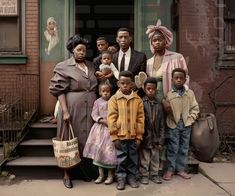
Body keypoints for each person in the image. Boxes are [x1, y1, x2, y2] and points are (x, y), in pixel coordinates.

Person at [49, 34, 98, 189]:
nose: (82, 52)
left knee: (85, 139)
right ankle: (67, 174)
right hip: (72, 107)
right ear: (72, 50)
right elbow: (59, 91)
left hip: (90, 107)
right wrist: (64, 111)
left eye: (84, 50)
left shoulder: (91, 66)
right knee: (68, 140)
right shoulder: (63, 66)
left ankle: (82, 170)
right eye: (78, 49)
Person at [146, 19, 190, 175]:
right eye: (154, 40)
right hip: (154, 102)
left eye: (160, 40)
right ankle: (159, 164)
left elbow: (185, 79)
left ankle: (174, 167)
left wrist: (171, 100)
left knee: (174, 134)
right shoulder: (149, 61)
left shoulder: (176, 57)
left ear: (166, 41)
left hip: (171, 102)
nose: (157, 43)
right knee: (158, 132)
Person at [107, 71, 145, 190]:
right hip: (120, 136)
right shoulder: (114, 99)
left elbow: (140, 118)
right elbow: (111, 118)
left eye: (127, 83)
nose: (125, 85)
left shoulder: (137, 99)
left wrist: (139, 136)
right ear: (118, 83)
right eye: (122, 83)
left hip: (133, 136)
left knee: (133, 158)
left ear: (132, 84)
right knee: (121, 159)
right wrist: (114, 136)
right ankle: (121, 178)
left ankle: (132, 177)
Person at [163, 68, 199, 181]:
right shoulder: (169, 94)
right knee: (172, 148)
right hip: (173, 125)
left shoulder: (190, 93)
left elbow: (195, 108)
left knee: (184, 148)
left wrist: (191, 119)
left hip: (186, 124)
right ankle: (170, 170)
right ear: (172, 79)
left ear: (185, 79)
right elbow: (166, 111)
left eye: (181, 78)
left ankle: (181, 169)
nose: (178, 80)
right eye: (176, 78)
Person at [83, 83, 117, 185]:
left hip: (111, 130)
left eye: (108, 91)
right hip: (99, 130)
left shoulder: (113, 101)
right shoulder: (97, 102)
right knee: (99, 152)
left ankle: (110, 175)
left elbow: (117, 113)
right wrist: (100, 120)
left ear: (111, 92)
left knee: (110, 152)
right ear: (100, 92)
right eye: (103, 91)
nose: (106, 93)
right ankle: (101, 175)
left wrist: (112, 122)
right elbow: (94, 113)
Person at [139, 77, 165, 185]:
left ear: (156, 90)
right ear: (144, 89)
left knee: (155, 158)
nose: (151, 91)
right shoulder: (141, 102)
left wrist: (161, 139)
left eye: (153, 89)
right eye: (148, 88)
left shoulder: (159, 104)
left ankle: (154, 175)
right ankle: (144, 175)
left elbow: (162, 124)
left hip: (156, 138)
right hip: (145, 137)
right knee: (144, 158)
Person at [111, 28, 147, 93]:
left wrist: (136, 85)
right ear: (117, 39)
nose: (123, 40)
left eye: (126, 37)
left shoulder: (140, 57)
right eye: (121, 37)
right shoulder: (112, 58)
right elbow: (111, 77)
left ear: (130, 39)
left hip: (135, 94)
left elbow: (142, 76)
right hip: (116, 96)